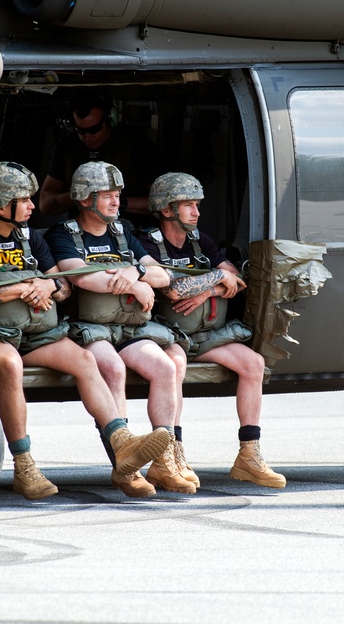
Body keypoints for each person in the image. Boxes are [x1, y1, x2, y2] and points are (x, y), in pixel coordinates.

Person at [0, 161, 170, 501]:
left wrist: (49, 288)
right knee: (11, 366)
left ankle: (121, 442)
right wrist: (21, 288)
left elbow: (62, 285)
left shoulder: (31, 237)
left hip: (39, 334)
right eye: (25, 200)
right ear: (1, 205)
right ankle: (23, 464)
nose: (34, 206)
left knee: (85, 361)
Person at [45, 162, 237, 495]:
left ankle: (163, 461)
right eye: (107, 195)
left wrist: (136, 274)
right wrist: (135, 284)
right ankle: (126, 465)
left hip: (131, 327)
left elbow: (162, 276)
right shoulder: (64, 234)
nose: (116, 202)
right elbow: (80, 277)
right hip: (91, 328)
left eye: (117, 195)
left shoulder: (124, 233)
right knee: (112, 369)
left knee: (165, 367)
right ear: (85, 198)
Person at [136, 172, 286, 488]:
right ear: (166, 210)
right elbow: (174, 290)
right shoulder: (147, 242)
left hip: (208, 335)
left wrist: (207, 290)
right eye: (188, 205)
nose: (196, 212)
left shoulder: (199, 240)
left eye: (197, 204)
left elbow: (233, 275)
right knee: (174, 364)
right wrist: (216, 280)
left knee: (253, 364)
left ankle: (249, 453)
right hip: (171, 334)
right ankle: (173, 452)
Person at [37, 92, 163, 229]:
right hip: (80, 231)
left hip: (129, 229)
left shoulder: (136, 147)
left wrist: (117, 202)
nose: (88, 136)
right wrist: (79, 194)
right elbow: (45, 204)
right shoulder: (68, 148)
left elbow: (163, 202)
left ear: (109, 120)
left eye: (94, 129)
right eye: (81, 131)